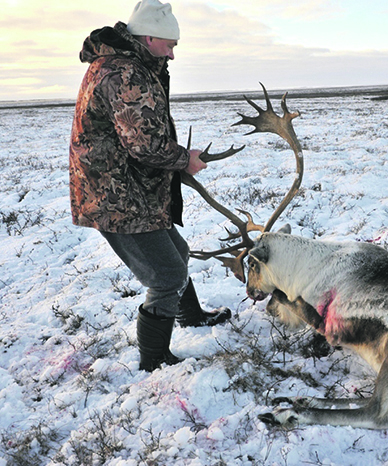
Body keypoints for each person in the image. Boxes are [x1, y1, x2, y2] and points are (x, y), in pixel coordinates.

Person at [69, 0, 231, 372]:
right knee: (166, 274)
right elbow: (143, 145)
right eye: (170, 45)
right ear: (149, 37)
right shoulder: (126, 75)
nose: (173, 54)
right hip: (116, 195)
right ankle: (154, 360)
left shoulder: (120, 64)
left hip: (127, 186)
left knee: (177, 251)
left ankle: (189, 316)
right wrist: (183, 160)